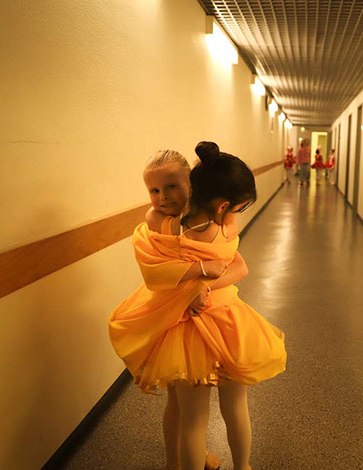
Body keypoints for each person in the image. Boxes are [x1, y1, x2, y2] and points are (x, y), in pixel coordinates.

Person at [109, 144, 287, 470]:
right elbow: (238, 267)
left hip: (182, 330)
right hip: (228, 322)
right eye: (155, 191)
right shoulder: (224, 227)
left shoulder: (163, 226)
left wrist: (197, 285)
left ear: (192, 184)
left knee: (186, 415)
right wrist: (205, 278)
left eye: (171, 187)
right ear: (223, 204)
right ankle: (242, 466)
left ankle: (174, 464)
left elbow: (157, 273)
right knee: (234, 407)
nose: (162, 197)